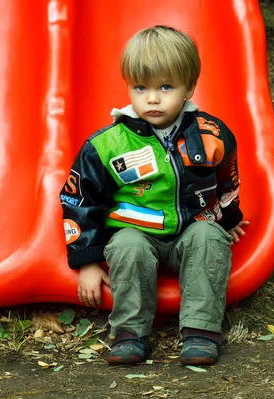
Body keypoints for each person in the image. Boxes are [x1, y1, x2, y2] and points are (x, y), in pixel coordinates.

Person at [60, 25, 249, 366]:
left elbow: (226, 180)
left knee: (209, 236)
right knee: (126, 245)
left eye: (166, 87)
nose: (152, 98)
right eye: (140, 87)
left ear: (189, 87)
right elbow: (80, 201)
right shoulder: (107, 144)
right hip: (137, 235)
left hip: (190, 232)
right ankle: (130, 334)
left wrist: (229, 217)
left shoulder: (212, 134)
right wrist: (86, 261)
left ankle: (201, 332)